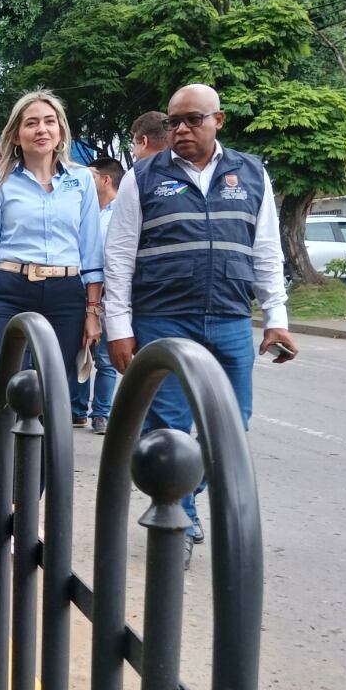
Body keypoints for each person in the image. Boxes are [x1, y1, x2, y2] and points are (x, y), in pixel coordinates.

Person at [104, 83, 298, 567]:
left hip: (231, 318)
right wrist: (118, 326)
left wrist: (277, 318)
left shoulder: (251, 174)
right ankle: (182, 519)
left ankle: (183, 494)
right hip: (162, 318)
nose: (182, 129)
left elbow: (268, 252)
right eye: (173, 122)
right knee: (168, 427)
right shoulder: (143, 177)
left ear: (219, 120)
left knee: (231, 426)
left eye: (193, 119)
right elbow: (119, 255)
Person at [0, 90, 103, 400]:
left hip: (66, 292)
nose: (41, 130)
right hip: (9, 288)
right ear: (16, 135)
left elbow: (91, 249)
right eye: (31, 123)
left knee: (54, 387)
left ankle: (44, 449)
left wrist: (93, 311)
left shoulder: (81, 181)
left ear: (61, 130)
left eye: (49, 121)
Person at [71, 157, 126, 433]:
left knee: (104, 358)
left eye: (91, 178)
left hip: (111, 294)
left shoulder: (123, 211)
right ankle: (77, 410)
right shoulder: (85, 210)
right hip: (80, 289)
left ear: (105, 180)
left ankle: (101, 413)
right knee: (80, 352)